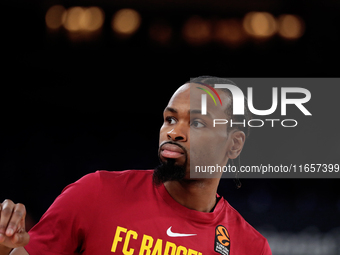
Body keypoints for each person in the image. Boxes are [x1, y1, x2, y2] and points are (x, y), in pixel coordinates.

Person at [0, 76, 272, 255]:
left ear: (234, 145)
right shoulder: (96, 193)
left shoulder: (250, 247)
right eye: (170, 119)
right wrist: (3, 245)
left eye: (197, 123)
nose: (174, 132)